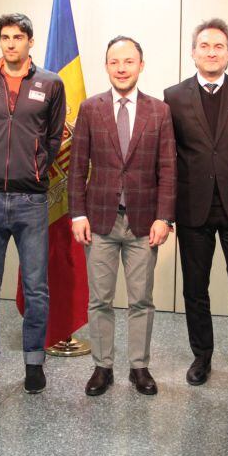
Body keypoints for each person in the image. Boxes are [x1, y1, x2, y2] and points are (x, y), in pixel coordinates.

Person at [164, 18, 228, 387]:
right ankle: (202, 357)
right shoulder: (173, 96)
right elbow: (169, 157)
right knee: (195, 286)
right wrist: (166, 209)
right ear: (193, 53)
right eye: (205, 46)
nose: (212, 52)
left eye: (219, 47)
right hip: (193, 207)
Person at [69, 36, 176, 396]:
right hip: (99, 221)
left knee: (140, 300)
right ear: (107, 66)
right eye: (115, 62)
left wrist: (165, 217)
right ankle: (102, 367)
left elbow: (168, 169)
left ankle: (139, 367)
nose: (121, 68)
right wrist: (77, 214)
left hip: (144, 223)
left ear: (141, 65)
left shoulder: (159, 111)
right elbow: (76, 167)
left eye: (129, 61)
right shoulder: (90, 108)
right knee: (99, 299)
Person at [0, 13, 66, 394]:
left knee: (36, 285)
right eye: (5, 37)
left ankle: (33, 363)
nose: (10, 44)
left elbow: (55, 137)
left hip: (31, 199)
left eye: (18, 37)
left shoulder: (50, 83)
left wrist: (36, 170)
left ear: (30, 42)